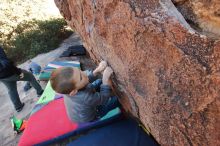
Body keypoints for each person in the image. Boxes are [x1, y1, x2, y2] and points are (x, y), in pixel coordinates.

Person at [50, 61, 120, 123]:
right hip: (91, 115)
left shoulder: (68, 89)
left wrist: (97, 71)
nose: (84, 73)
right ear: (73, 91)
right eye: (80, 78)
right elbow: (104, 99)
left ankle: (99, 87)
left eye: (80, 70)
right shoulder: (85, 97)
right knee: (115, 100)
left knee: (97, 82)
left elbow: (85, 79)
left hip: (80, 105)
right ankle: (117, 102)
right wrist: (105, 79)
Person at [0, 47, 43, 112]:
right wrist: (18, 72)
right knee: (30, 76)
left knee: (11, 89)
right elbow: (6, 63)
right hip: (10, 72)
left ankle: (18, 107)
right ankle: (40, 92)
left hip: (2, 77)